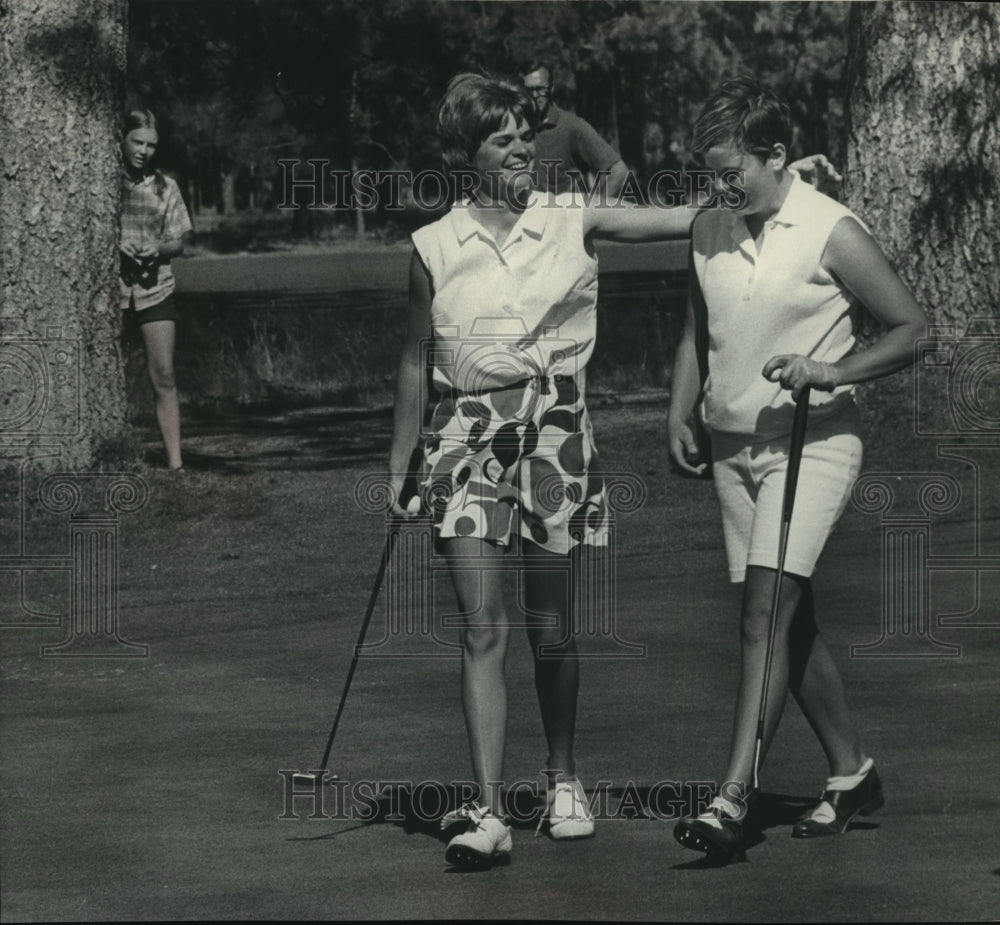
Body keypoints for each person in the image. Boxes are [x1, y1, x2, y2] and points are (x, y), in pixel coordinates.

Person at [389, 71, 704, 871]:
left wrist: (759, 190)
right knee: (480, 624)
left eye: (526, 136)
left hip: (553, 424)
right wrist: (401, 460)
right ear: (467, 157)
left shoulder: (572, 215)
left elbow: (681, 217)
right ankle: (487, 809)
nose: (523, 149)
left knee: (551, 625)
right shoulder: (433, 244)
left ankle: (564, 777)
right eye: (503, 140)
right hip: (460, 432)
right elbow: (413, 360)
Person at [667, 77, 926, 863]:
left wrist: (830, 368)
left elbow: (914, 329)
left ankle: (731, 795)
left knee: (763, 613)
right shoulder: (711, 225)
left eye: (731, 169)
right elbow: (696, 327)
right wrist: (678, 409)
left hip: (813, 442)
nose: (720, 186)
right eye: (710, 173)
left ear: (777, 155)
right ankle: (851, 772)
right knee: (789, 616)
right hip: (732, 448)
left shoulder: (830, 229)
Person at [119, 108, 192, 472]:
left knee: (163, 374)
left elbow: (179, 242)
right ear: (121, 138)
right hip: (109, 291)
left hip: (155, 289)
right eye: (137, 141)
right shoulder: (103, 181)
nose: (144, 151)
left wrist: (157, 248)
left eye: (151, 145)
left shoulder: (165, 186)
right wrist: (116, 243)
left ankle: (176, 464)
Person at [520, 62, 629, 199]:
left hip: (564, 217)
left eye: (541, 89)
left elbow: (618, 171)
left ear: (551, 89)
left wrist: (592, 210)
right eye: (529, 90)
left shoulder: (572, 126)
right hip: (528, 216)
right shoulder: (518, 127)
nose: (535, 95)